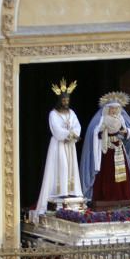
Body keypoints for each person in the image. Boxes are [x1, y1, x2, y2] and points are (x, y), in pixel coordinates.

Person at [80, 91, 130, 205]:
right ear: (107, 109)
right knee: (107, 172)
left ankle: (123, 198)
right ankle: (105, 199)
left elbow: (129, 132)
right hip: (107, 150)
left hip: (118, 148)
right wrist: (101, 133)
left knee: (121, 174)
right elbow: (95, 132)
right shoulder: (103, 119)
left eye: (116, 108)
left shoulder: (121, 119)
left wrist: (126, 133)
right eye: (112, 108)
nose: (114, 110)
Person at [34, 78, 82, 218]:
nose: (66, 102)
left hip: (70, 145)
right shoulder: (53, 114)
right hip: (59, 144)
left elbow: (77, 126)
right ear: (60, 100)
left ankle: (71, 191)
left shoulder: (71, 113)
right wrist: (68, 134)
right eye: (64, 100)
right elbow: (56, 129)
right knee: (62, 166)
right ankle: (59, 191)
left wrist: (74, 133)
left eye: (67, 100)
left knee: (71, 167)